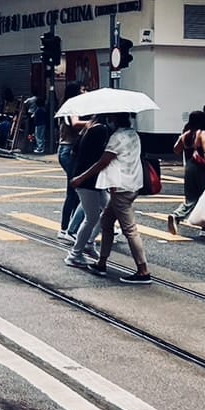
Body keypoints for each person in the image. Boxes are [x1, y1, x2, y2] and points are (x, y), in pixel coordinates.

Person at [73, 112, 152, 284]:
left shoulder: (116, 137)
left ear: (114, 119)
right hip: (133, 185)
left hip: (121, 189)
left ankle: (143, 271)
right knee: (106, 222)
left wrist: (80, 178)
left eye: (110, 118)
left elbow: (103, 162)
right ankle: (101, 263)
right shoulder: (133, 134)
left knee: (130, 230)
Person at [64, 114, 110, 267]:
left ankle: (89, 243)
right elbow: (101, 158)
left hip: (88, 178)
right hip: (88, 179)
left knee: (109, 211)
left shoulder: (89, 127)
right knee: (92, 217)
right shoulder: (101, 130)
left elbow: (75, 150)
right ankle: (75, 254)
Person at [168, 110, 205, 239]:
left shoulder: (186, 134)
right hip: (201, 167)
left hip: (189, 167)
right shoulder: (202, 133)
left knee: (191, 196)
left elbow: (176, 150)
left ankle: (177, 216)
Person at [56, 83, 87, 237]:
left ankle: (72, 228)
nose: (85, 92)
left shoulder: (69, 106)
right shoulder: (72, 106)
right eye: (83, 89)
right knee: (73, 191)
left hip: (70, 150)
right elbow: (75, 124)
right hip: (68, 151)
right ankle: (66, 229)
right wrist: (92, 123)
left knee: (76, 191)